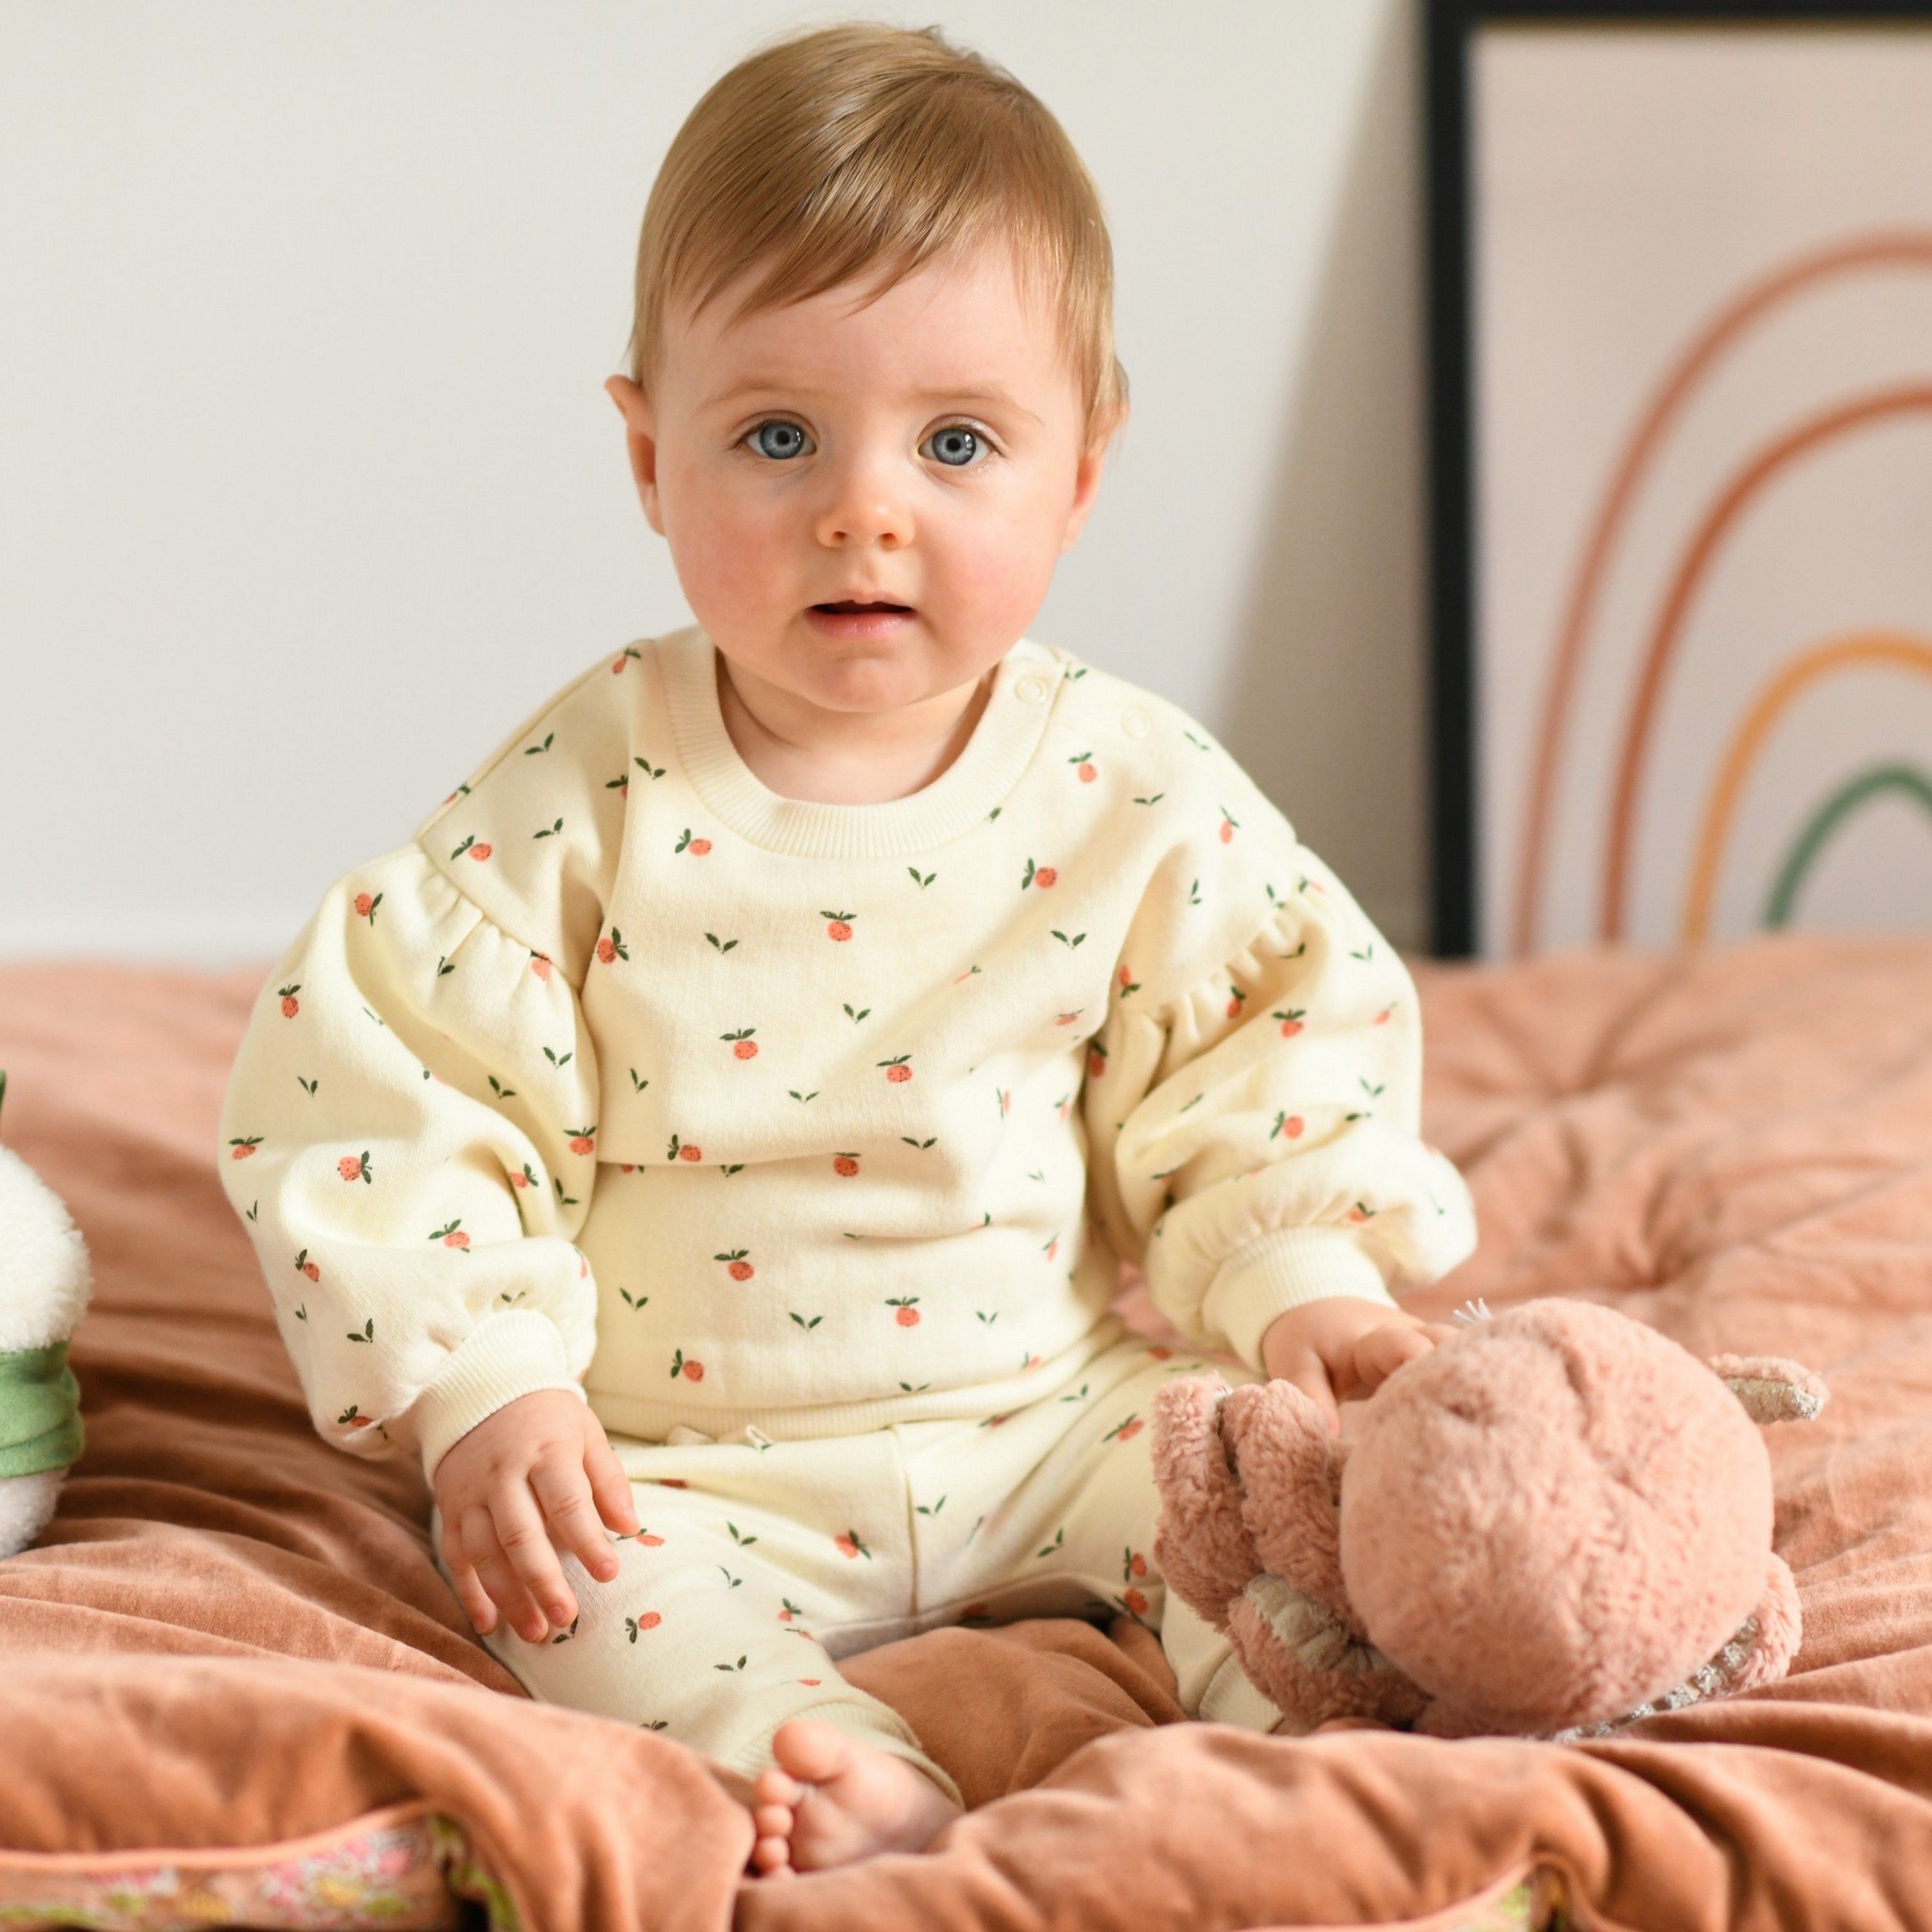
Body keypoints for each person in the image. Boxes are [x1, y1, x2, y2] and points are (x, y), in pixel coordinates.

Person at [214, 17, 1480, 1878]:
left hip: (1050, 1415)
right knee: (573, 1590)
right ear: (650, 458)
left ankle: (1295, 1735)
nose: (861, 508)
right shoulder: (581, 804)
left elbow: (1260, 1056)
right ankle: (822, 1767)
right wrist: (489, 1386)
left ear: (1081, 473)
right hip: (678, 1459)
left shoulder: (1133, 792)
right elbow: (398, 1088)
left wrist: (1302, 1278)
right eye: (777, 435)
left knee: (1270, 1509)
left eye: (957, 442)